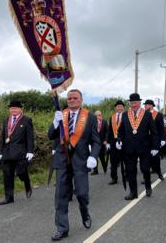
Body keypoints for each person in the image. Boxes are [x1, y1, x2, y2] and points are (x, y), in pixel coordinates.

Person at [48, 89, 101, 241]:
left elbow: (96, 141)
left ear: (81, 100)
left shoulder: (90, 117)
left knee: (82, 194)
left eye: (74, 98)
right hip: (62, 159)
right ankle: (62, 228)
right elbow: (51, 135)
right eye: (69, 98)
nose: (71, 100)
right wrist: (55, 122)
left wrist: (93, 156)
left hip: (81, 160)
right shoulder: (61, 114)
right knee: (61, 196)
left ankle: (85, 212)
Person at [116, 93, 159, 200]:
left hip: (144, 147)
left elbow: (154, 132)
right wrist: (119, 140)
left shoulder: (147, 114)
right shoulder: (125, 114)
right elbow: (121, 130)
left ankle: (148, 186)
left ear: (139, 103)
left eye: (135, 102)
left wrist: (155, 147)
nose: (133, 104)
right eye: (131, 102)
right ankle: (133, 193)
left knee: (145, 169)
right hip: (129, 148)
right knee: (130, 171)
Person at [0, 100, 34, 205]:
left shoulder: (26, 120)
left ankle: (27, 183)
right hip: (7, 153)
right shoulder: (6, 120)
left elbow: (30, 137)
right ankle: (9, 198)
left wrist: (30, 151)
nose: (13, 110)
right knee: (7, 175)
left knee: (21, 172)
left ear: (20, 109)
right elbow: (2, 137)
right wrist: (1, 152)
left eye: (15, 108)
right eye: (11, 108)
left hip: (21, 152)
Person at [144, 99, 166, 181]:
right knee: (146, 159)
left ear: (151, 105)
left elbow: (161, 128)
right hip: (145, 140)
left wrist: (162, 139)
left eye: (147, 104)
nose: (145, 106)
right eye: (145, 105)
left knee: (156, 159)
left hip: (155, 139)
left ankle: (159, 173)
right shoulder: (143, 114)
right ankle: (146, 178)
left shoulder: (158, 115)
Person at [106, 100, 125, 185]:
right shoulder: (112, 117)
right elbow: (109, 130)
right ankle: (114, 178)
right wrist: (108, 142)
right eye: (118, 106)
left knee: (126, 160)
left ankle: (127, 176)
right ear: (116, 108)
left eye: (121, 106)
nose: (119, 108)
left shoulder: (126, 116)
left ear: (123, 108)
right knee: (113, 161)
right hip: (113, 141)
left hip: (124, 141)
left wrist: (122, 140)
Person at [91, 110, 108, 175]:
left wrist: (106, 140)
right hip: (94, 143)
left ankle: (104, 169)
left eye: (99, 115)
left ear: (101, 115)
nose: (98, 116)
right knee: (94, 157)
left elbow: (107, 132)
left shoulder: (104, 122)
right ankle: (95, 171)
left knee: (102, 157)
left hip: (102, 143)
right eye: (96, 115)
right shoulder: (92, 123)